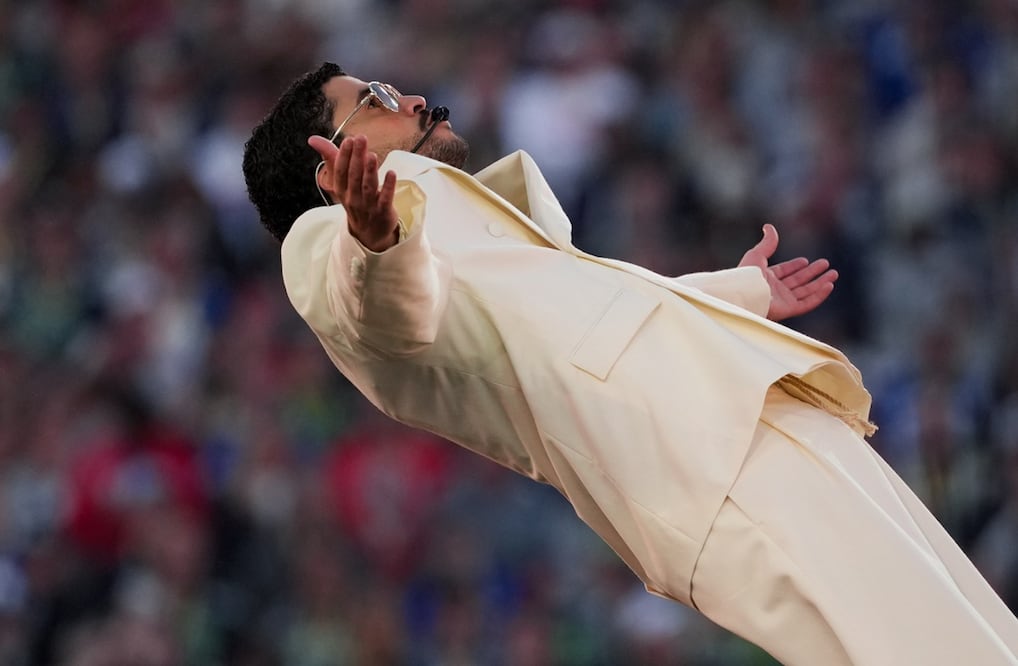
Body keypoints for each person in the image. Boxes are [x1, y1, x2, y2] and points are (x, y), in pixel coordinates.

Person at [242, 62, 1018, 665]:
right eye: (372, 96)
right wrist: (375, 242)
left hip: (744, 411)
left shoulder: (455, 218)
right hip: (695, 461)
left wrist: (739, 291)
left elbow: (585, 315)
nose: (409, 97)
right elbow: (384, 310)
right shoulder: (330, 242)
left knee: (973, 632)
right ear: (330, 164)